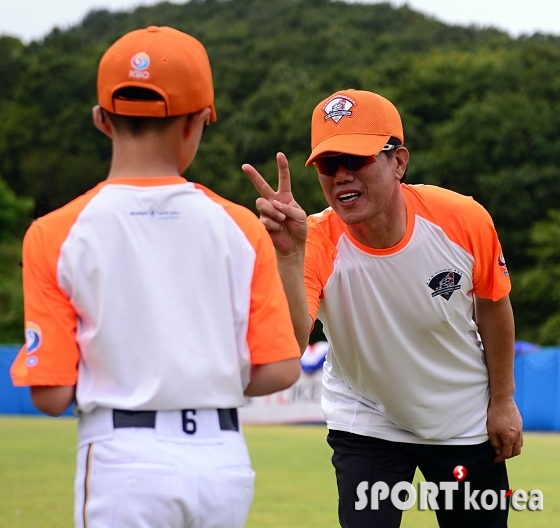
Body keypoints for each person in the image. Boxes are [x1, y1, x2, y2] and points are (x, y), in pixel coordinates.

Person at [10, 26, 302, 528]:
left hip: (122, 459)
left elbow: (51, 394)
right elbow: (280, 370)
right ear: (199, 121)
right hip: (221, 462)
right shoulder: (240, 227)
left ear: (102, 119)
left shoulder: (53, 232)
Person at [242, 89, 523, 528]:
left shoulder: (463, 219)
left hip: (461, 418)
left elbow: (493, 306)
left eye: (356, 160)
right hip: (367, 418)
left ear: (399, 162)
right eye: (328, 165)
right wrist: (288, 255)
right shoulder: (311, 239)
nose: (341, 176)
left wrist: (503, 401)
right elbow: (291, 344)